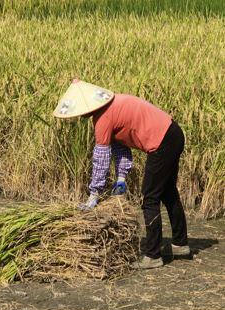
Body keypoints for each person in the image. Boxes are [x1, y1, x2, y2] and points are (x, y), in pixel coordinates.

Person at [53, 79, 190, 269]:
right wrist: (121, 177)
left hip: (161, 143)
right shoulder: (115, 104)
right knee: (167, 192)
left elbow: (101, 159)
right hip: (174, 133)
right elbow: (120, 146)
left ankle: (153, 255)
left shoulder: (103, 119)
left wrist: (94, 193)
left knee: (150, 198)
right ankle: (180, 244)